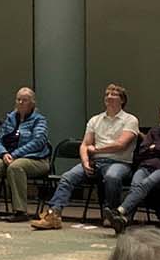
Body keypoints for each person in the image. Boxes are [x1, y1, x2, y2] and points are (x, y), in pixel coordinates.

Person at [32, 84, 138, 231]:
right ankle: (53, 214)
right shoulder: (95, 120)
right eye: (107, 94)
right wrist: (85, 161)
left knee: (112, 177)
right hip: (95, 160)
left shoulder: (130, 120)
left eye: (114, 94)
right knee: (68, 177)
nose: (109, 97)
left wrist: (97, 149)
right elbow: (84, 145)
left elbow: (121, 145)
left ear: (122, 100)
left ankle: (112, 215)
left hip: (119, 162)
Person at [110, 101, 160, 233]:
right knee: (135, 185)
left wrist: (155, 148)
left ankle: (120, 211)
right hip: (146, 166)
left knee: (146, 184)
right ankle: (124, 220)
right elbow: (143, 150)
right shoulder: (153, 132)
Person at [0, 87, 50, 221]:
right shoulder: (10, 119)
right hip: (8, 155)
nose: (20, 103)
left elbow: (38, 141)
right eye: (18, 99)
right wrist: (3, 153)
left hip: (35, 159)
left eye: (24, 100)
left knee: (15, 167)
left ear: (32, 103)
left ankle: (20, 211)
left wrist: (15, 154)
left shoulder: (39, 120)